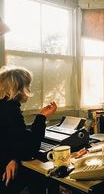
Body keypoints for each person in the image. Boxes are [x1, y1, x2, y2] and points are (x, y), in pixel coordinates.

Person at [0, 66, 57, 194]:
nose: (29, 89)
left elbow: (12, 137)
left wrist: (13, 157)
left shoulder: (4, 106)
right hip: (5, 175)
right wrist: (42, 117)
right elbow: (30, 148)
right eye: (28, 85)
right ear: (19, 89)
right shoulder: (10, 110)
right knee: (41, 176)